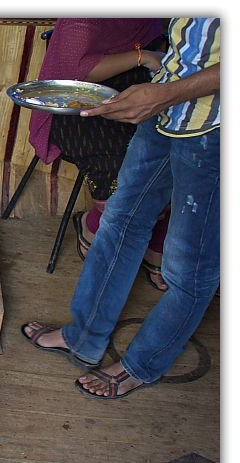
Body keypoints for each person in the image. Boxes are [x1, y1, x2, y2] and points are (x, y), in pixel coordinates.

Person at [22, 18, 219, 400]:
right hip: (165, 111)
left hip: (214, 128)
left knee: (189, 269)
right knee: (118, 223)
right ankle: (84, 338)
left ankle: (142, 366)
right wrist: (161, 87)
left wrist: (166, 91)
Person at [28, 18, 171, 290]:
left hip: (137, 89)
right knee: (123, 172)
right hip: (79, 102)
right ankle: (92, 223)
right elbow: (76, 71)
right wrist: (144, 56)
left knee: (175, 154)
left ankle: (156, 243)